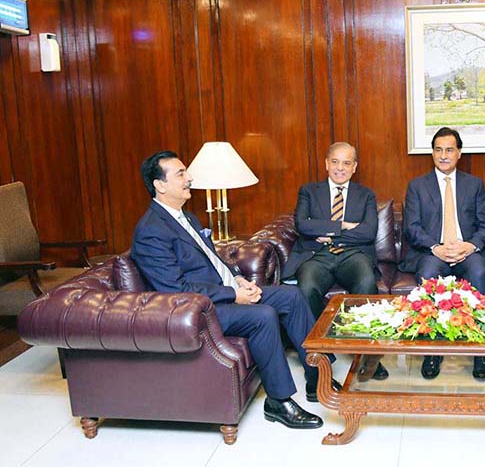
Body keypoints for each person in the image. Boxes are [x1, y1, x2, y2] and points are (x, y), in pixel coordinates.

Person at [131, 150, 339, 430]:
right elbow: (175, 288)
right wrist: (233, 295)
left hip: (224, 292)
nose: (189, 178)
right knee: (263, 315)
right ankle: (278, 401)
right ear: (160, 184)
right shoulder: (151, 230)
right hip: (198, 309)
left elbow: (213, 262)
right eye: (181, 173)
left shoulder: (187, 218)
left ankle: (317, 376)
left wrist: (238, 279)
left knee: (291, 295)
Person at [282, 142, 387, 380]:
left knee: (366, 281)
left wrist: (326, 230)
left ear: (354, 167)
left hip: (353, 253)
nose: (340, 168)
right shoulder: (308, 191)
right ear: (327, 164)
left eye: (347, 163)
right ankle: (322, 353)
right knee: (306, 287)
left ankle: (365, 354)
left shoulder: (366, 194)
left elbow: (368, 232)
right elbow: (303, 225)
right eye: (336, 162)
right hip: (316, 254)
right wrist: (342, 225)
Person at [399, 127, 485, 380]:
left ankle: (480, 351)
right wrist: (436, 247)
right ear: (432, 153)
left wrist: (469, 246)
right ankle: (432, 349)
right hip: (433, 251)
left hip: (466, 250)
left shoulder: (474, 184)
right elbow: (412, 228)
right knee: (428, 272)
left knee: (480, 272)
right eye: (438, 150)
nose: (443, 155)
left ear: (459, 153)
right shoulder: (417, 186)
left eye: (449, 150)